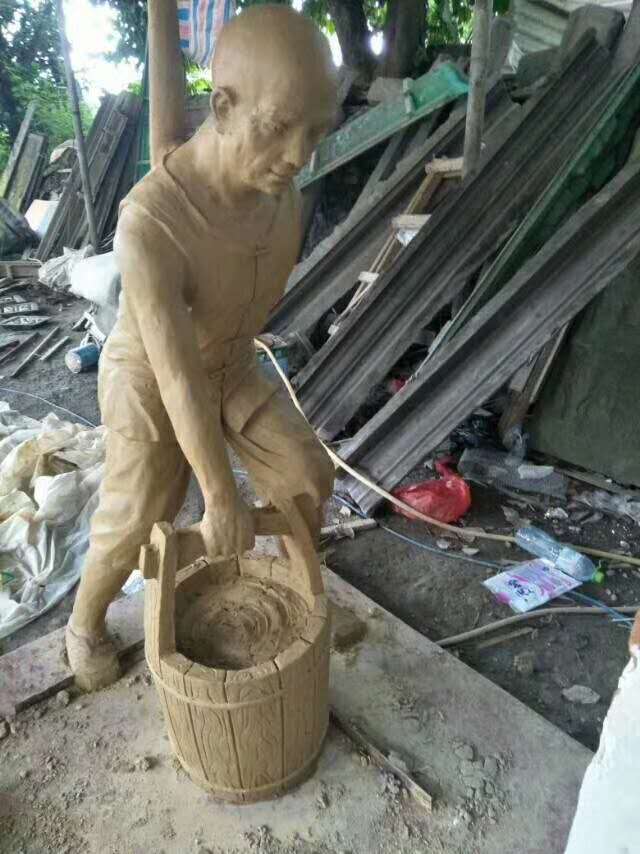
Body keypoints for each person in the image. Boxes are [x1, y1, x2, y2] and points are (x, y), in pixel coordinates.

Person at [65, 2, 338, 691]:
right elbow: (177, 378)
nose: (298, 156)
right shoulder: (149, 226)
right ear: (222, 107)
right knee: (143, 510)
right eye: (278, 128)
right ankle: (85, 622)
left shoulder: (277, 190)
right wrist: (218, 494)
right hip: (151, 376)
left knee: (306, 473)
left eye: (315, 132)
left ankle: (300, 586)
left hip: (230, 360)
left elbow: (171, 140)